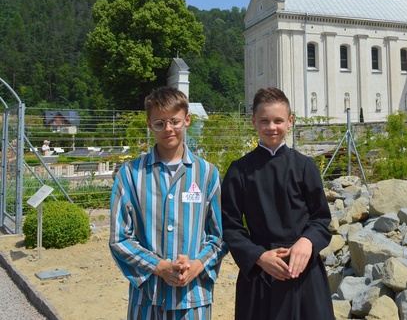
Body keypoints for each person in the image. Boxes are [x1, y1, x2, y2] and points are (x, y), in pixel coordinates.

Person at [109, 86, 226, 320]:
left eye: (175, 121)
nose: (168, 129)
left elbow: (219, 236)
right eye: (160, 123)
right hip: (148, 298)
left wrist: (197, 265)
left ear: (187, 119)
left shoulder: (206, 174)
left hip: (193, 298)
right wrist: (159, 267)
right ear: (149, 124)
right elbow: (119, 238)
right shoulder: (131, 174)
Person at [221, 87, 334, 320]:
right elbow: (230, 226)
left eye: (278, 120)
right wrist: (258, 256)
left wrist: (308, 241)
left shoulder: (305, 167)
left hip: (303, 271)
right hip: (261, 272)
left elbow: (321, 219)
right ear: (253, 121)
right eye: (264, 121)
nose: (271, 127)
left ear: (290, 121)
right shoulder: (239, 171)